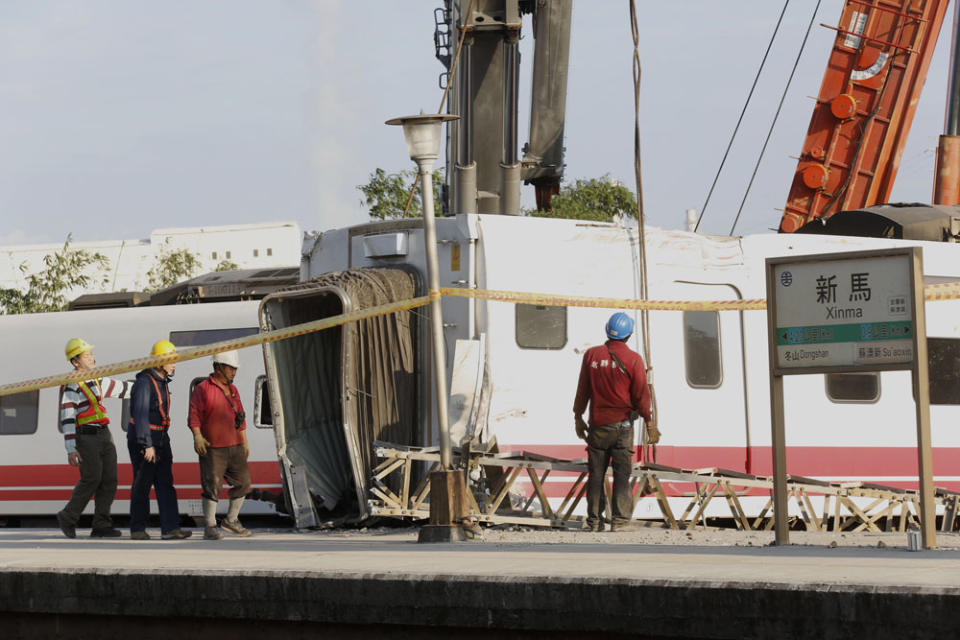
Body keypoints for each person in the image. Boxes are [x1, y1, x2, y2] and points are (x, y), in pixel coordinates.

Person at [573, 312, 655, 532]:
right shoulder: (634, 359)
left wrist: (577, 416)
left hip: (597, 426)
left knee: (596, 474)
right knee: (621, 474)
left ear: (607, 330)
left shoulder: (591, 355)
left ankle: (594, 521)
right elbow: (641, 395)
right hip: (622, 427)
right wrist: (649, 422)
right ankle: (619, 521)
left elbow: (583, 390)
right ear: (629, 334)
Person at [56, 338, 132, 539]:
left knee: (109, 479)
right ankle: (68, 516)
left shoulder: (98, 379)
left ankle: (101, 525)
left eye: (91, 354)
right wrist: (71, 448)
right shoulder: (72, 384)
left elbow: (123, 389)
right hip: (86, 436)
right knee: (92, 478)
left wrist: (144, 386)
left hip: (104, 434)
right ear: (75, 362)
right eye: (87, 355)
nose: (92, 357)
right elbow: (68, 416)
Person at [128, 339, 191, 540]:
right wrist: (147, 445)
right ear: (159, 361)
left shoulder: (161, 381)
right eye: (171, 360)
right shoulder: (145, 383)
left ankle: (171, 528)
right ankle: (138, 528)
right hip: (146, 441)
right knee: (142, 485)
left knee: (166, 483)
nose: (174, 364)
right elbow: (140, 415)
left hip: (161, 438)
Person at [188, 350, 252, 540]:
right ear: (218, 368)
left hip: (235, 445)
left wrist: (244, 440)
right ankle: (210, 526)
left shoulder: (233, 390)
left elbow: (240, 416)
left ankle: (231, 520)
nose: (234, 372)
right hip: (213, 447)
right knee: (212, 485)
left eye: (235, 368)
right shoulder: (203, 389)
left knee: (244, 483)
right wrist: (197, 436)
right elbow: (194, 415)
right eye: (231, 368)